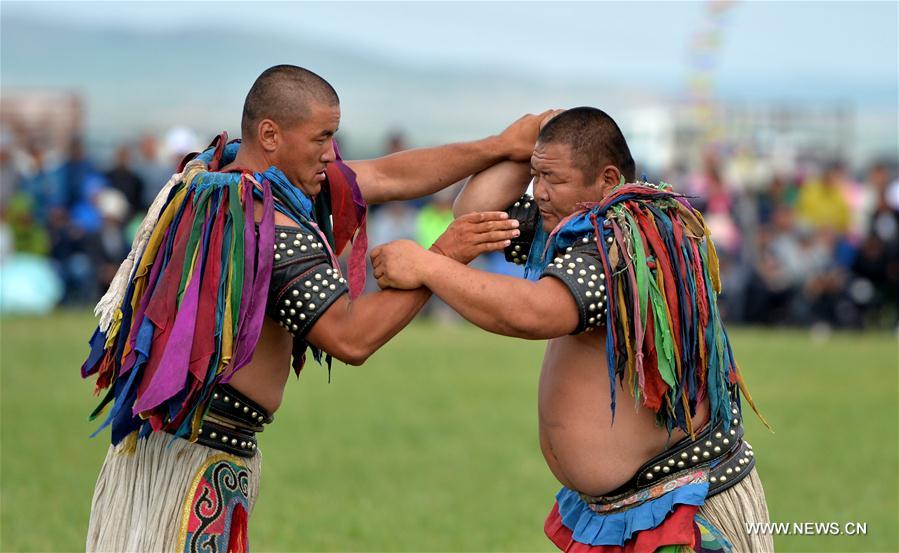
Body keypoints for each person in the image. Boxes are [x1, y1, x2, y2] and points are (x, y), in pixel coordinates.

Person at [81, 64, 545, 552]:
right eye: (321, 138)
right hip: (193, 466)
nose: (331, 154)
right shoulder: (266, 223)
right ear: (270, 134)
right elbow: (350, 337)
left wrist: (499, 145)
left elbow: (386, 174)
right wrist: (441, 259)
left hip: (163, 455)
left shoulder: (216, 178)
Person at [371, 107, 773, 552]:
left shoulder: (630, 237)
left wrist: (429, 265)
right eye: (536, 178)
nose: (540, 193)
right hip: (626, 509)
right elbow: (474, 215)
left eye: (554, 180)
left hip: (683, 508)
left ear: (606, 180)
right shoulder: (575, 223)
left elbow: (534, 314)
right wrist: (520, 148)